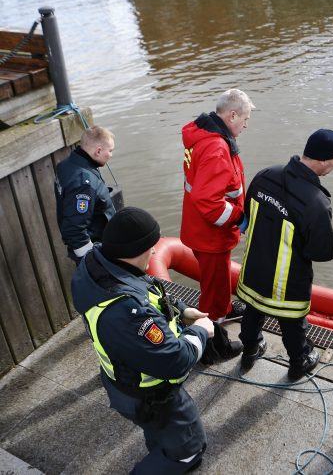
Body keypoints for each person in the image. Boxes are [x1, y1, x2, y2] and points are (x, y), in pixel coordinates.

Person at [71, 206, 214, 474]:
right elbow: (176, 361)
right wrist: (201, 331)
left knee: (158, 432)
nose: (154, 252)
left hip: (123, 381)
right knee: (188, 450)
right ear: (139, 250)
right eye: (151, 246)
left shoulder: (97, 264)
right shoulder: (127, 312)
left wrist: (182, 311)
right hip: (148, 393)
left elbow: (146, 290)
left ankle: (161, 445)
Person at [236, 129, 333, 381]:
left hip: (253, 268)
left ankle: (249, 350)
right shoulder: (316, 202)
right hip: (286, 281)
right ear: (323, 161)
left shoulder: (265, 176)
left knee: (252, 311)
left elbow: (248, 214)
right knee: (293, 325)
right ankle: (299, 362)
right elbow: (322, 252)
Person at [180, 88, 255, 329]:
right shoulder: (217, 148)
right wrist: (239, 217)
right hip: (211, 234)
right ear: (232, 115)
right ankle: (212, 336)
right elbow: (210, 202)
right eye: (245, 119)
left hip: (200, 228)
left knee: (218, 280)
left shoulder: (203, 135)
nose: (246, 126)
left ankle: (224, 307)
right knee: (213, 289)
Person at [55, 125, 116, 264]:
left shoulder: (66, 164)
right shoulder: (84, 184)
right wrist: (93, 262)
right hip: (97, 251)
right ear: (98, 151)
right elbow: (74, 230)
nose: (111, 155)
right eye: (110, 151)